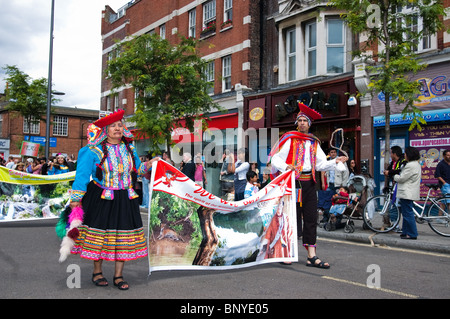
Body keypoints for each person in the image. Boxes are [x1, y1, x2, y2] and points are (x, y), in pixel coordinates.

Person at [67, 110, 159, 290]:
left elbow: (138, 171)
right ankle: (97, 272)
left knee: (122, 237)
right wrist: (76, 198)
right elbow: (82, 176)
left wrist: (151, 163)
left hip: (125, 198)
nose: (118, 128)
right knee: (100, 236)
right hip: (102, 198)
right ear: (105, 130)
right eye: (113, 126)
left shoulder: (130, 149)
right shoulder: (92, 150)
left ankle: (118, 276)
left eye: (120, 125)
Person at [269, 103, 348, 269]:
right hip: (294, 184)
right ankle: (288, 252)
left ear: (309, 124)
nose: (303, 123)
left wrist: (335, 161)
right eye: (301, 120)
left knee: (311, 218)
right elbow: (275, 159)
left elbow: (320, 165)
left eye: (305, 120)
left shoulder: (314, 142)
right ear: (297, 123)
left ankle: (311, 256)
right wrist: (286, 167)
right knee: (292, 217)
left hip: (310, 184)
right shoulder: (290, 139)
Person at [393, 146, 422, 240]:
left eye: (405, 153)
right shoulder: (416, 164)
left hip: (407, 192)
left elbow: (402, 178)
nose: (404, 155)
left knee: (408, 213)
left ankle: (413, 233)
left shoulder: (410, 165)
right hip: (409, 192)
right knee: (406, 213)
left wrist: (395, 176)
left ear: (409, 155)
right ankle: (405, 232)